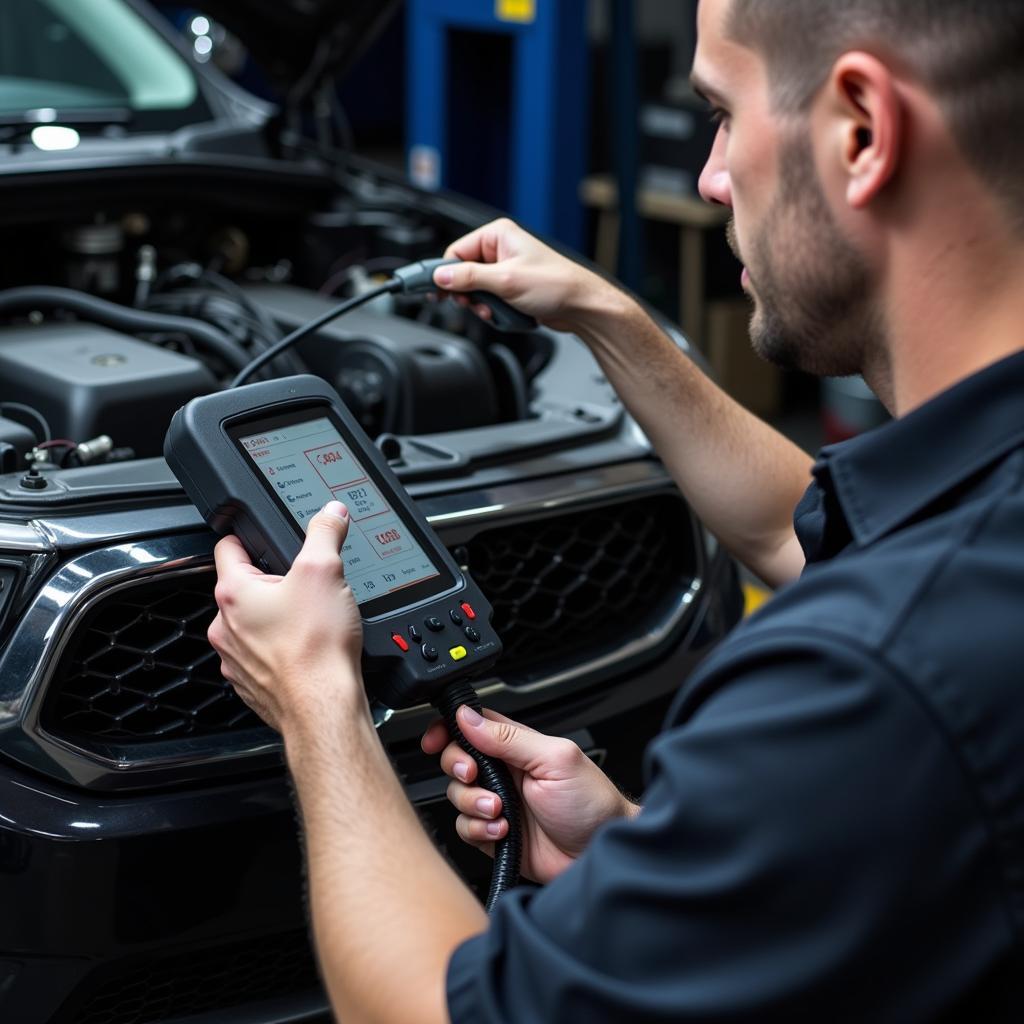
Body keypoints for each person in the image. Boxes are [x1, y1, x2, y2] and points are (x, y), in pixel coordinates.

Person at [206, 0, 1024, 1019]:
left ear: (860, 129)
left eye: (722, 114)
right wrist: (679, 864)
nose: (711, 176)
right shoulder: (969, 533)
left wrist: (315, 703)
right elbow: (795, 533)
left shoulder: (865, 681)